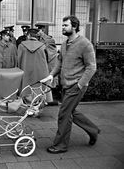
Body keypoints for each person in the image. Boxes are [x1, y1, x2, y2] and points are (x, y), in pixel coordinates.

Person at [40, 15, 99, 154]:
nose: (62, 28)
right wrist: (50, 75)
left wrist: (80, 84)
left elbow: (92, 67)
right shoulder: (66, 44)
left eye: (65, 25)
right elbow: (59, 62)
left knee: (64, 114)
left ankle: (60, 145)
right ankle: (93, 130)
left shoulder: (85, 44)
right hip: (65, 85)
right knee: (70, 111)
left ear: (74, 26)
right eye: (62, 25)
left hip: (76, 85)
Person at [18, 27, 53, 106]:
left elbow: (18, 60)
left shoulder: (21, 46)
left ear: (29, 35)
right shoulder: (43, 46)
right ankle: (38, 105)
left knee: (26, 89)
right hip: (40, 73)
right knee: (39, 89)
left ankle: (28, 106)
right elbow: (47, 59)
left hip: (26, 72)